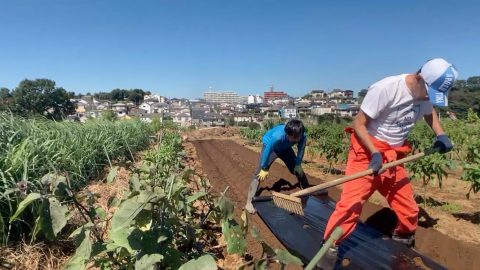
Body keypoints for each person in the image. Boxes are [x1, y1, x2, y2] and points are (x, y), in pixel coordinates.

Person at [319, 58, 458, 268]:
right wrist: (374, 153)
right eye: (430, 92)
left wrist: (441, 134)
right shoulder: (386, 89)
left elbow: (430, 113)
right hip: (367, 153)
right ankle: (328, 246)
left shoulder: (426, 93)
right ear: (419, 78)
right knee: (351, 205)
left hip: (394, 156)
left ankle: (401, 244)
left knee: (409, 209)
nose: (430, 98)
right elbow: (358, 123)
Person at [245, 118, 310, 214]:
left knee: (297, 170)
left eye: (297, 138)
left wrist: (298, 164)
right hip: (271, 148)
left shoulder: (302, 136)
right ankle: (249, 202)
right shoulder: (277, 137)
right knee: (259, 173)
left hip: (285, 148)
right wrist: (264, 167)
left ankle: (307, 191)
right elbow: (267, 150)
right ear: (287, 134)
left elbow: (301, 150)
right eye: (292, 138)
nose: (295, 141)